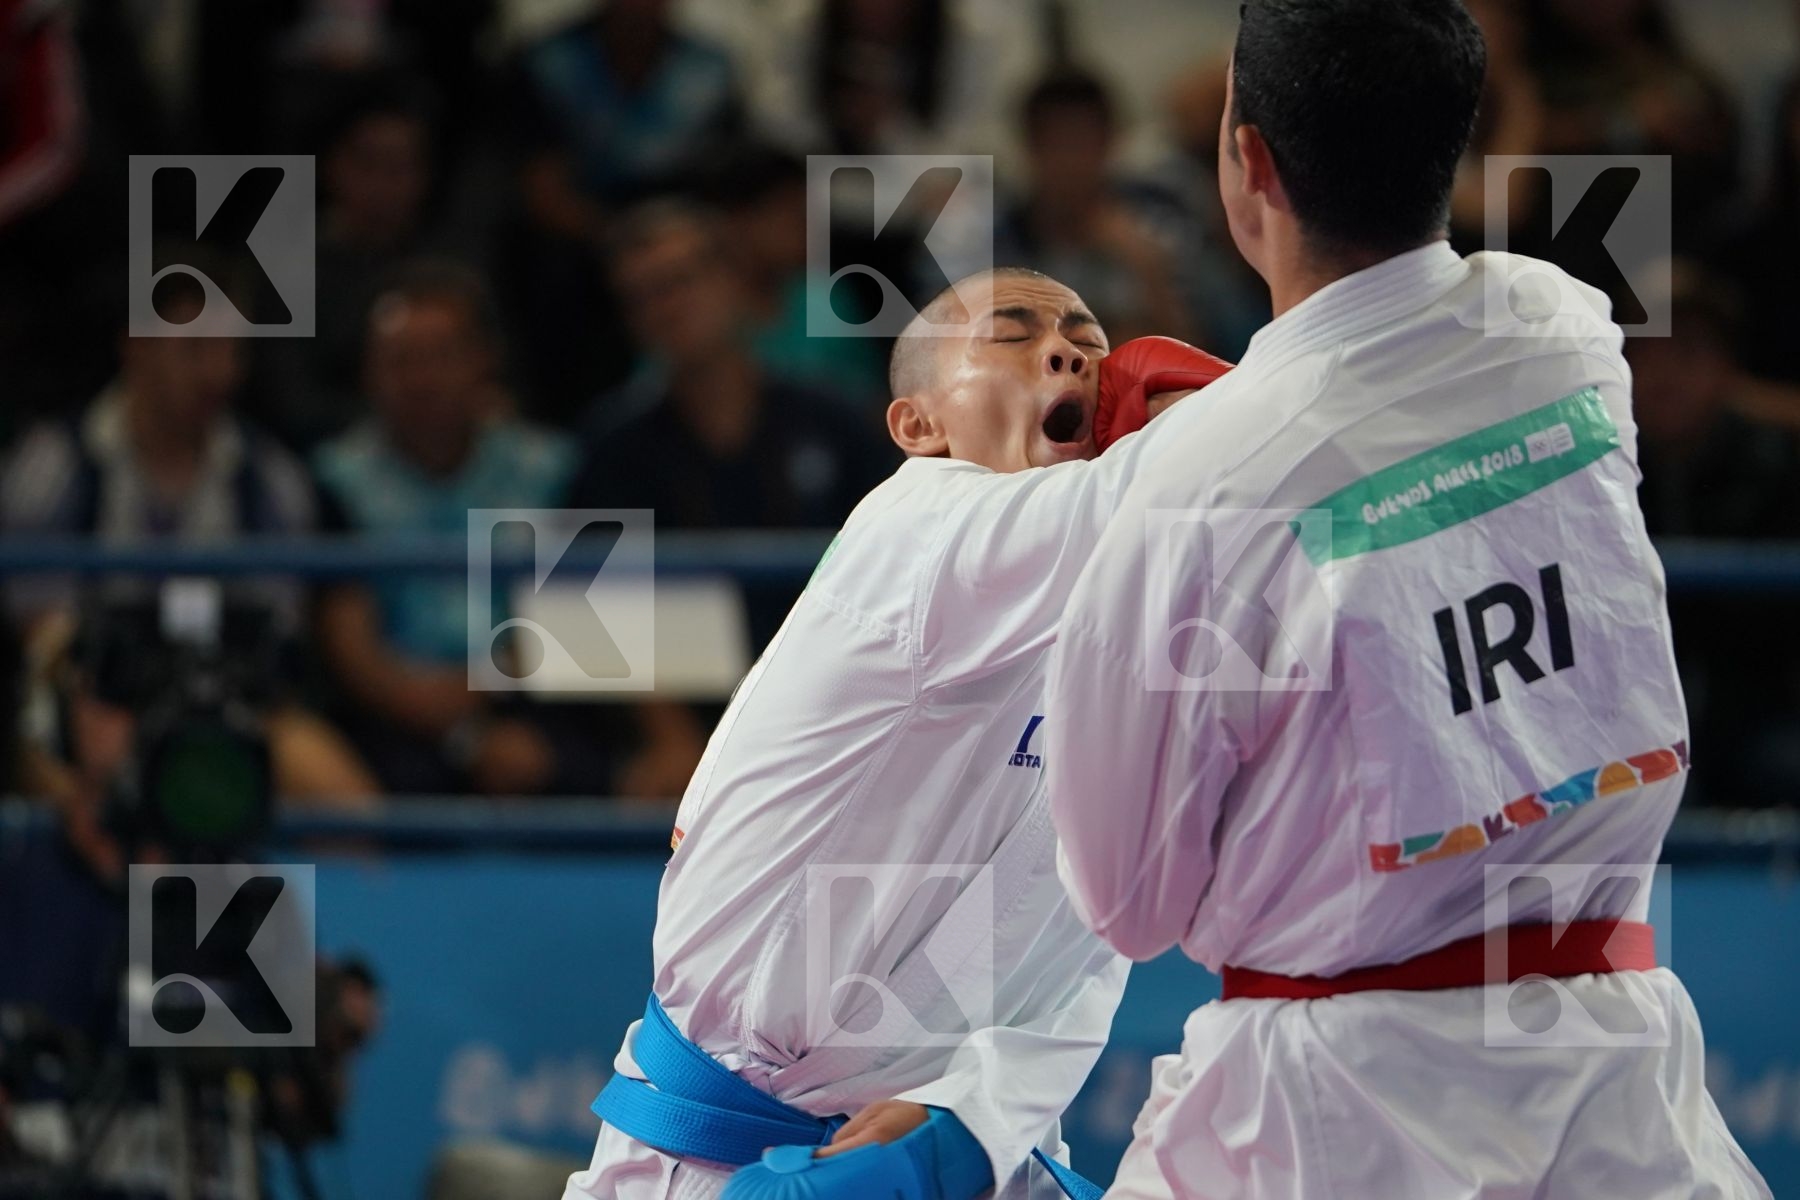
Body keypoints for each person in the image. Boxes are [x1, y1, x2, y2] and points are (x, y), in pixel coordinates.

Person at [1042, 3, 1770, 1198]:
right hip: (1625, 1091)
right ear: (1456, 139)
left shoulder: (1197, 485)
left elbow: (1125, 900)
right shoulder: (1568, 332)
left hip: (1332, 1123)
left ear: (1250, 159)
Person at [562, 267, 1233, 1200]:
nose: (1069, 353)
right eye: (1014, 335)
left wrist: (974, 1116)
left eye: (1090, 342)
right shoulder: (917, 527)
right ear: (919, 427)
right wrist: (1237, 403)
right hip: (729, 1160)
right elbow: (1196, 490)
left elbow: (1086, 940)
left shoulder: (1129, 637)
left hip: (951, 1156)